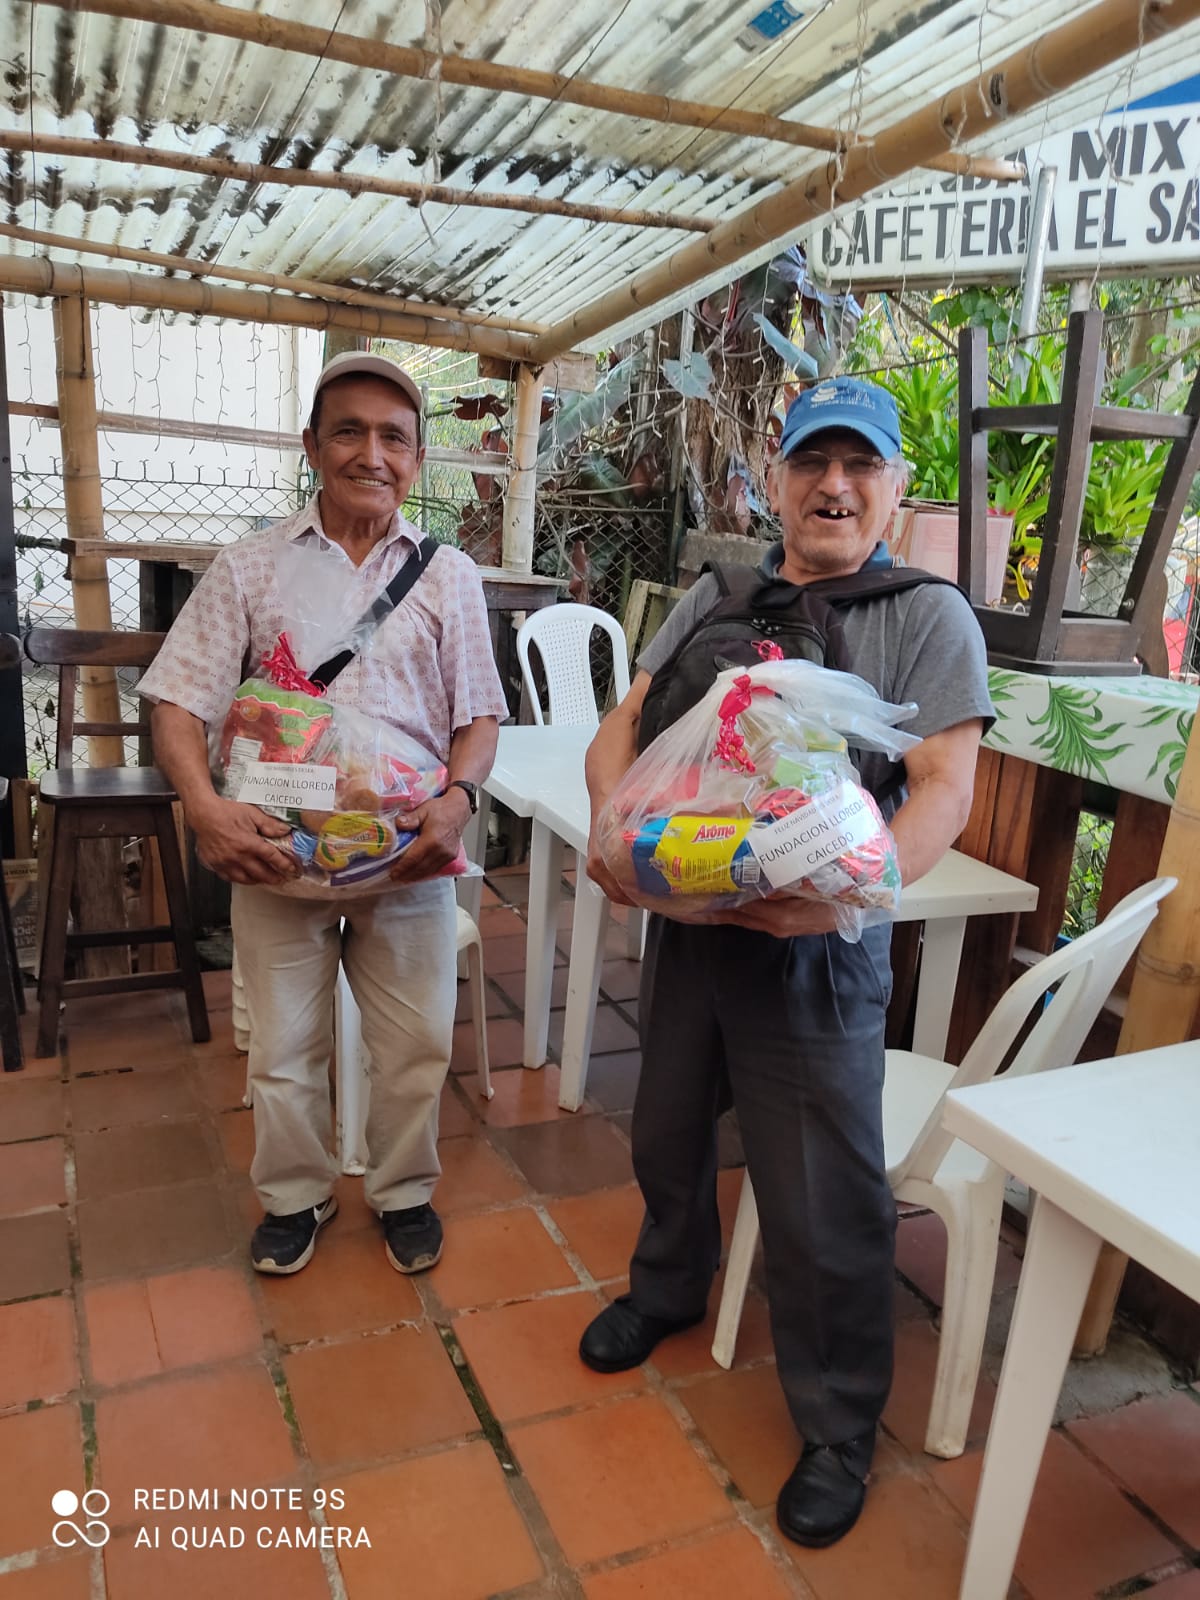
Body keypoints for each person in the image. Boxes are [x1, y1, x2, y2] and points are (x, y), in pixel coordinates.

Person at [578, 376, 994, 1549]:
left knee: (821, 1192)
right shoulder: (720, 592)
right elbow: (626, 727)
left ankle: (840, 1419)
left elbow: (945, 786)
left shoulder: (929, 617)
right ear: (776, 478)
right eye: (813, 461)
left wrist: (847, 899)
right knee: (666, 1126)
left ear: (897, 487)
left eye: (861, 465)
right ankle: (667, 1287)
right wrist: (612, 830)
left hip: (819, 947)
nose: (835, 485)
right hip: (690, 916)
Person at [140, 351, 508, 1279]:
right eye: (348, 431)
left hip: (407, 854)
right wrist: (204, 809)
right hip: (278, 854)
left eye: (393, 438)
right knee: (283, 1047)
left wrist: (459, 800)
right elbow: (178, 701)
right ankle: (294, 1196)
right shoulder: (250, 567)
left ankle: (403, 1191)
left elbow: (478, 716)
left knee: (417, 1044)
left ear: (417, 459)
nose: (370, 455)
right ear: (311, 445)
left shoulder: (448, 576)